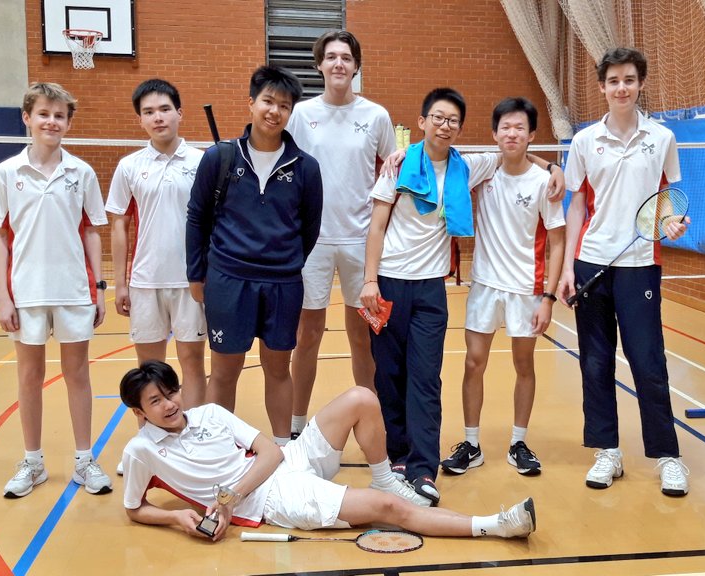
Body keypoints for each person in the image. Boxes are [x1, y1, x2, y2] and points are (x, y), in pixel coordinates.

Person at [359, 88, 563, 506]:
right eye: (438, 117)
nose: (445, 125)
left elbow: (516, 154)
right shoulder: (397, 167)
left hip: (433, 288)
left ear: (461, 128)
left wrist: (552, 165)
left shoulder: (468, 166)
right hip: (389, 283)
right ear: (422, 121)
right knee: (388, 377)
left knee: (426, 378)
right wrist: (369, 281)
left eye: (453, 120)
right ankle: (397, 458)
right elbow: (376, 227)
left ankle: (421, 468)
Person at [119, 360, 537, 541]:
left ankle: (386, 478)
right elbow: (134, 508)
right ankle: (496, 525)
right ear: (139, 412)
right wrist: (176, 516)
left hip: (283, 466)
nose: (170, 404)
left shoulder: (209, 412)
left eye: (171, 392)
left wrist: (228, 497)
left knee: (360, 396)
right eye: (156, 401)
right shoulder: (142, 452)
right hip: (275, 499)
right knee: (387, 511)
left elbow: (271, 451)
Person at [555, 47, 692, 496]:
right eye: (613, 81)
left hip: (639, 266)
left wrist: (670, 221)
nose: (621, 88)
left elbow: (667, 194)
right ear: (602, 87)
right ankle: (607, 452)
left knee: (649, 362)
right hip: (592, 261)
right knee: (594, 363)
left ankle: (668, 457)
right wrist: (568, 268)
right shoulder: (584, 141)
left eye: (629, 80)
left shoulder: (662, 138)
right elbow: (575, 204)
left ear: (640, 84)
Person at [0, 82, 113, 498]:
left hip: (74, 290)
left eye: (59, 116)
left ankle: (84, 460)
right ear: (27, 117)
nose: (51, 122)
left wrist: (99, 289)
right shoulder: (6, 173)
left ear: (68, 123)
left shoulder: (82, 173)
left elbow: (91, 232)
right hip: (27, 293)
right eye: (43, 114)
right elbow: (0, 237)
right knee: (29, 376)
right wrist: (4, 297)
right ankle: (33, 462)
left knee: (78, 375)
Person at [186, 66, 323, 446]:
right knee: (224, 370)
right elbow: (197, 217)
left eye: (283, 105)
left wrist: (285, 260)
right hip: (228, 281)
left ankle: (283, 452)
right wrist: (197, 275)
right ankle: (217, 449)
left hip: (283, 284)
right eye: (267, 101)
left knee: (278, 369)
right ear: (251, 103)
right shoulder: (219, 158)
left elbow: (309, 228)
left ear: (291, 111)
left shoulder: (306, 168)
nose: (274, 111)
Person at [440, 97, 566, 478]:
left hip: (526, 289)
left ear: (531, 135)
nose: (512, 134)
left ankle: (518, 442)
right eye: (505, 127)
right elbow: (443, 153)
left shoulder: (545, 183)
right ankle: (472, 444)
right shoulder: (483, 171)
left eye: (520, 128)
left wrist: (548, 297)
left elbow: (558, 241)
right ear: (494, 134)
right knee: (473, 363)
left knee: (523, 365)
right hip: (485, 286)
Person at [286, 30, 395, 440]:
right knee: (307, 335)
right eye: (330, 57)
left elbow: (393, 168)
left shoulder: (376, 116)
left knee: (361, 336)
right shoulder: (300, 113)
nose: (338, 64)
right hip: (310, 242)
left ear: (356, 65)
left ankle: (369, 421)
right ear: (319, 65)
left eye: (346, 58)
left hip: (359, 241)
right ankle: (297, 427)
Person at [106, 79, 208, 474]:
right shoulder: (130, 166)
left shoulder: (202, 162)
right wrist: (120, 282)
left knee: (192, 362)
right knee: (148, 370)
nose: (158, 117)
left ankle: (194, 440)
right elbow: (119, 225)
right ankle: (150, 446)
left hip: (191, 281)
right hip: (145, 281)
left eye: (164, 109)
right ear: (140, 120)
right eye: (148, 112)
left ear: (179, 113)